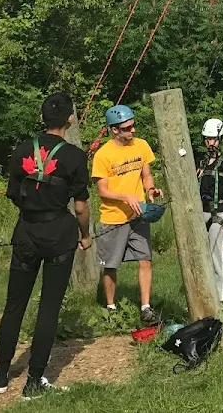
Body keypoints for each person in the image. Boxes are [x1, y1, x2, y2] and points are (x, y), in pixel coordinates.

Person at [0, 92, 92, 398]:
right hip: (59, 234)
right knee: (49, 307)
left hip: (27, 232)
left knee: (15, 304)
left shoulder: (21, 150)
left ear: (42, 118)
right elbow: (81, 207)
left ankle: (1, 373)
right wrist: (85, 235)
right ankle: (34, 380)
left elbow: (14, 193)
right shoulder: (75, 157)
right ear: (70, 119)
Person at [90, 104, 163, 323]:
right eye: (127, 128)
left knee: (145, 259)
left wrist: (151, 190)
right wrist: (125, 197)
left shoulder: (141, 146)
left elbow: (146, 175)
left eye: (133, 126)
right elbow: (102, 190)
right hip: (113, 218)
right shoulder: (103, 155)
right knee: (110, 265)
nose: (133, 130)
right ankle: (111, 308)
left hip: (138, 215)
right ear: (114, 130)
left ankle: (146, 307)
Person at [196, 118, 223, 303]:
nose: (210, 143)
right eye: (207, 139)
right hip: (201, 211)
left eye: (213, 139)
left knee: (217, 256)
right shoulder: (200, 163)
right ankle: (204, 295)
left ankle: (219, 300)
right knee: (201, 255)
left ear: (220, 139)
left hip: (220, 212)